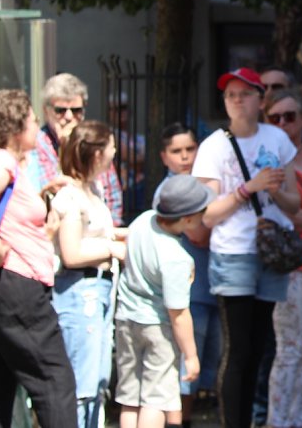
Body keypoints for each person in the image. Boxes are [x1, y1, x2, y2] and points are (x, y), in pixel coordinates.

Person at [191, 68, 300, 428]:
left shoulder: (276, 138)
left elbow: (294, 204)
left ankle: (253, 420)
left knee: (260, 345)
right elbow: (207, 215)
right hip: (233, 252)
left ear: (260, 99)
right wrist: (247, 188)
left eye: (244, 94)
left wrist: (273, 190)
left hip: (271, 251)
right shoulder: (213, 146)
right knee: (237, 348)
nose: (237, 100)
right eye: (230, 95)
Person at [0, 89, 78, 428]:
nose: (37, 125)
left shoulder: (8, 164)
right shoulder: (2, 160)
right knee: (55, 382)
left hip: (7, 287)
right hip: (17, 287)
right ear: (16, 128)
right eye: (32, 119)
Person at [115, 175, 213, 428]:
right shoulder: (177, 258)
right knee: (155, 400)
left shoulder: (141, 221)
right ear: (189, 219)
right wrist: (191, 355)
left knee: (130, 398)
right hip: (157, 328)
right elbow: (178, 314)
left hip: (126, 320)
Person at [51, 120, 128, 428]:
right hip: (80, 292)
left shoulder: (92, 190)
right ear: (97, 153)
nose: (114, 153)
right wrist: (112, 248)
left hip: (99, 289)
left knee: (97, 379)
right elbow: (71, 253)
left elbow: (99, 234)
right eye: (111, 147)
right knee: (83, 383)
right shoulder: (70, 196)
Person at [263, 89, 302, 428]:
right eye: (275, 118)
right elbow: (290, 217)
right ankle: (278, 421)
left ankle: (296, 421)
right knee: (289, 351)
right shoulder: (272, 161)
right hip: (289, 267)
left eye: (289, 116)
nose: (283, 124)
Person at [158, 123, 221, 428]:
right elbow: (198, 234)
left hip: (208, 284)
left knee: (208, 356)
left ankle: (189, 417)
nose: (184, 157)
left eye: (189, 149)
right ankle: (178, 421)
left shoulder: (199, 184)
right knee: (187, 361)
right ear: (163, 156)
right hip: (188, 291)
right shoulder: (170, 191)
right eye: (176, 151)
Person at [30, 73, 125, 225]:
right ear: (46, 111)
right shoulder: (36, 144)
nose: (68, 117)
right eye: (60, 110)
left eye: (76, 110)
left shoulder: (94, 142)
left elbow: (112, 194)